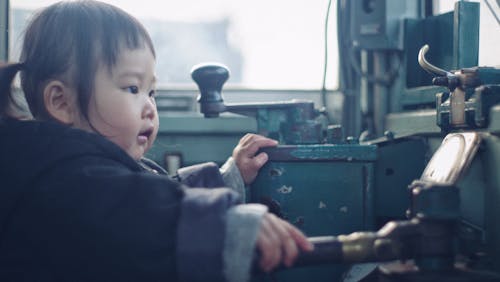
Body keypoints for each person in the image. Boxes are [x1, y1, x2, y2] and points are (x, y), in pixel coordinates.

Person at [0, 1, 313, 281]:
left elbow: (161, 193)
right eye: (132, 88)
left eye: (151, 92)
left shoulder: (104, 168)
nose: (150, 106)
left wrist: (228, 178)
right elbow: (139, 216)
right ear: (61, 102)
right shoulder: (61, 179)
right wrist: (225, 224)